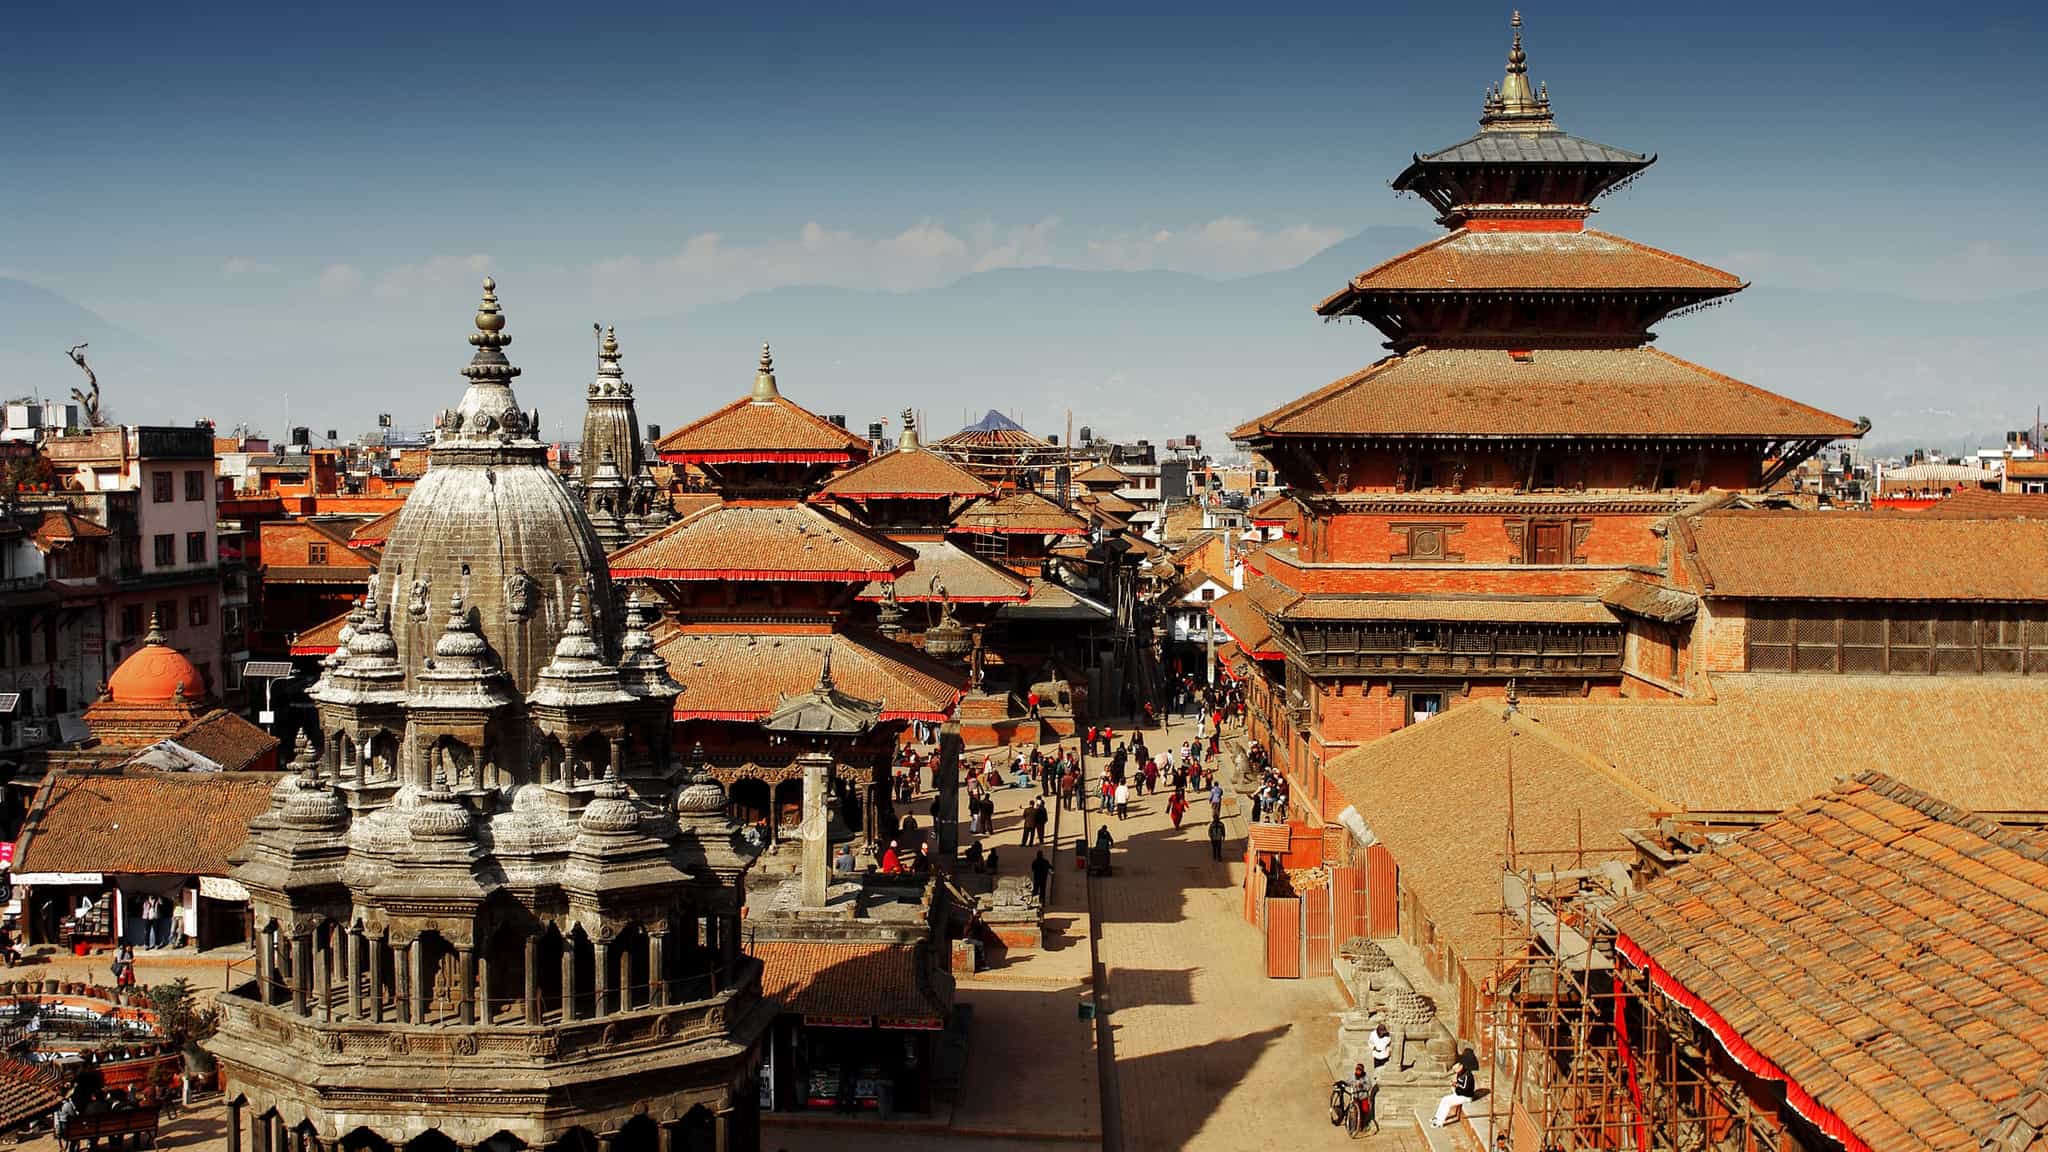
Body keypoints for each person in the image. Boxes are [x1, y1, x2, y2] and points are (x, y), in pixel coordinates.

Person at [1434, 1053, 1477, 1128]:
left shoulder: (1468, 1076)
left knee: (1448, 1103)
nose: (1456, 1072)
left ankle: (1440, 1122)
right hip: (1459, 1094)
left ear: (1461, 1067)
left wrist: (1456, 1086)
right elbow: (1460, 1084)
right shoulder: (1460, 1074)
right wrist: (1456, 1084)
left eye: (1457, 1070)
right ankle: (1437, 1117)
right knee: (1444, 1099)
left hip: (1466, 1096)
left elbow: (1465, 1089)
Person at [1347, 1062, 1376, 1131]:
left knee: (1364, 1111)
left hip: (1363, 1097)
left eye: (1359, 1070)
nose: (1358, 1071)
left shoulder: (1366, 1077)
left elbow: (1369, 1086)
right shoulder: (1353, 1076)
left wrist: (1362, 1086)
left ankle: (1363, 1125)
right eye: (1357, 1070)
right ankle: (1354, 1126)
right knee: (1354, 1112)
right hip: (1355, 1096)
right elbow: (1348, 1082)